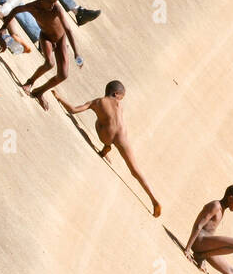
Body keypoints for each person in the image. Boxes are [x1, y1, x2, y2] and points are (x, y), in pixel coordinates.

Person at [54, 80, 161, 217]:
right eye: (122, 97)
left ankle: (106, 146)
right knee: (135, 170)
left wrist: (59, 98)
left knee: (99, 122)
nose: (121, 100)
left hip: (106, 136)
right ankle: (153, 199)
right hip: (122, 138)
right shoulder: (119, 106)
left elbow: (73, 110)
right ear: (117, 94)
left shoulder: (97, 102)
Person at [0, 0, 81, 110]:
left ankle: (39, 92)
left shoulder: (57, 9)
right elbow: (15, 10)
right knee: (49, 63)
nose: (53, 5)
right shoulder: (33, 7)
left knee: (63, 75)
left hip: (61, 39)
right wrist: (3, 28)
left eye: (56, 1)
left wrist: (76, 53)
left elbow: (68, 29)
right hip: (46, 37)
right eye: (50, 1)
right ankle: (30, 82)